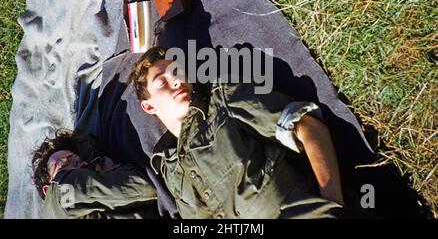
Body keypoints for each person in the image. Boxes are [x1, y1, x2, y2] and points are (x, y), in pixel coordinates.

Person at [129, 47, 366, 219]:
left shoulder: (222, 101)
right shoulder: (167, 166)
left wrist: (333, 204)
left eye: (178, 72)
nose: (177, 81)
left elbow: (309, 128)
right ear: (149, 106)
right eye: (162, 81)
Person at [32, 128, 160, 219]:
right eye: (63, 165)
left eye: (79, 161)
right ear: (47, 189)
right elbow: (145, 187)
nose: (76, 164)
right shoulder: (60, 193)